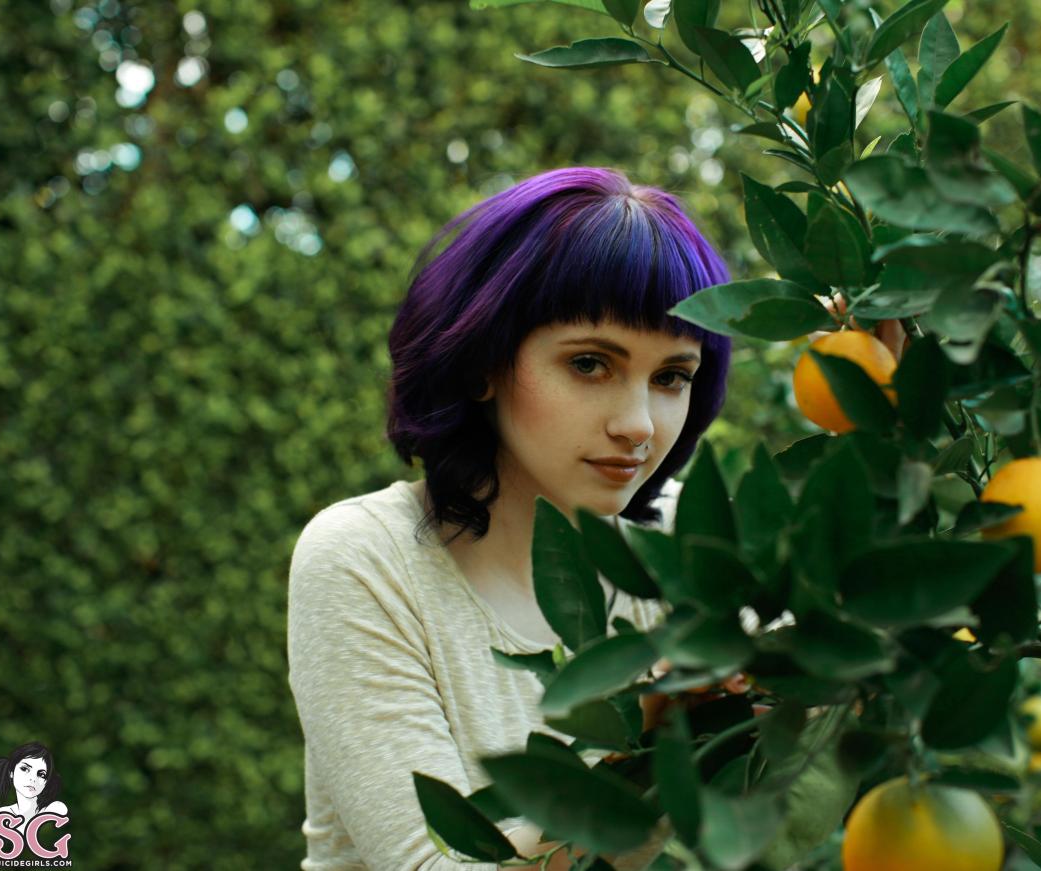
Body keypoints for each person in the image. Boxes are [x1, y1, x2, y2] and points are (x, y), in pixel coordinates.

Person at [286, 166, 734, 870]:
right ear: (483, 363)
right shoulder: (366, 560)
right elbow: (437, 864)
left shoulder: (684, 545)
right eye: (591, 364)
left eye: (671, 376)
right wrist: (644, 754)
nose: (639, 424)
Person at [0, 742, 68, 839]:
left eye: (41, 774)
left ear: (46, 782)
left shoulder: (55, 809)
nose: (33, 779)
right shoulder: (4, 814)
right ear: (11, 772)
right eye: (24, 769)